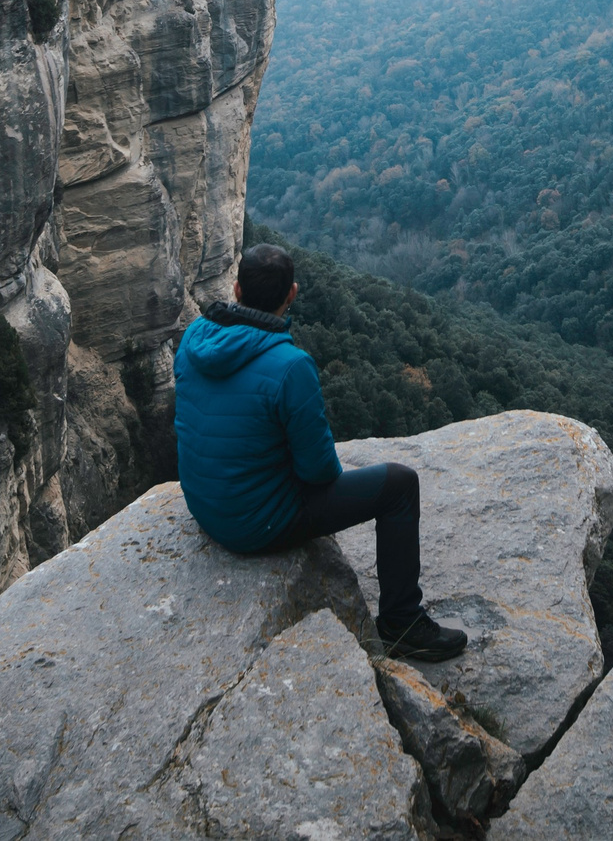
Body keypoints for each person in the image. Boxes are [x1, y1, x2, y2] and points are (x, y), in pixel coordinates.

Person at [172, 243, 469, 662]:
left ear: (236, 289)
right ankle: (402, 623)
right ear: (291, 294)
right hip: (254, 525)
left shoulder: (192, 338)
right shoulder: (290, 365)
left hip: (204, 505)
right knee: (401, 484)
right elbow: (318, 472)